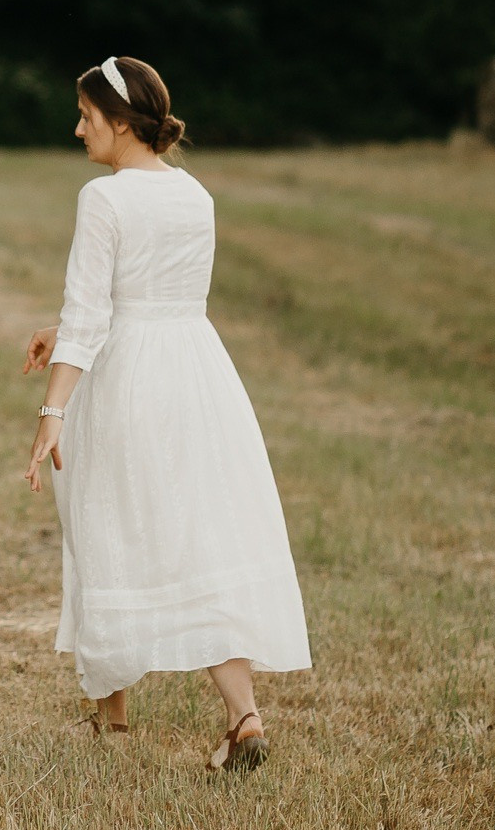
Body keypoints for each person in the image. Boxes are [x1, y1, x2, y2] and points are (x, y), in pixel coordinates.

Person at [20, 56, 310, 771]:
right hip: (195, 376)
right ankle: (244, 718)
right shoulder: (194, 194)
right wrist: (64, 332)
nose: (78, 130)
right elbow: (149, 296)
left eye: (87, 117)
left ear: (121, 123)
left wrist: (52, 409)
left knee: (106, 527)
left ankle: (113, 725)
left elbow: (93, 312)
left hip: (126, 382)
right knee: (195, 535)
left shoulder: (104, 197)